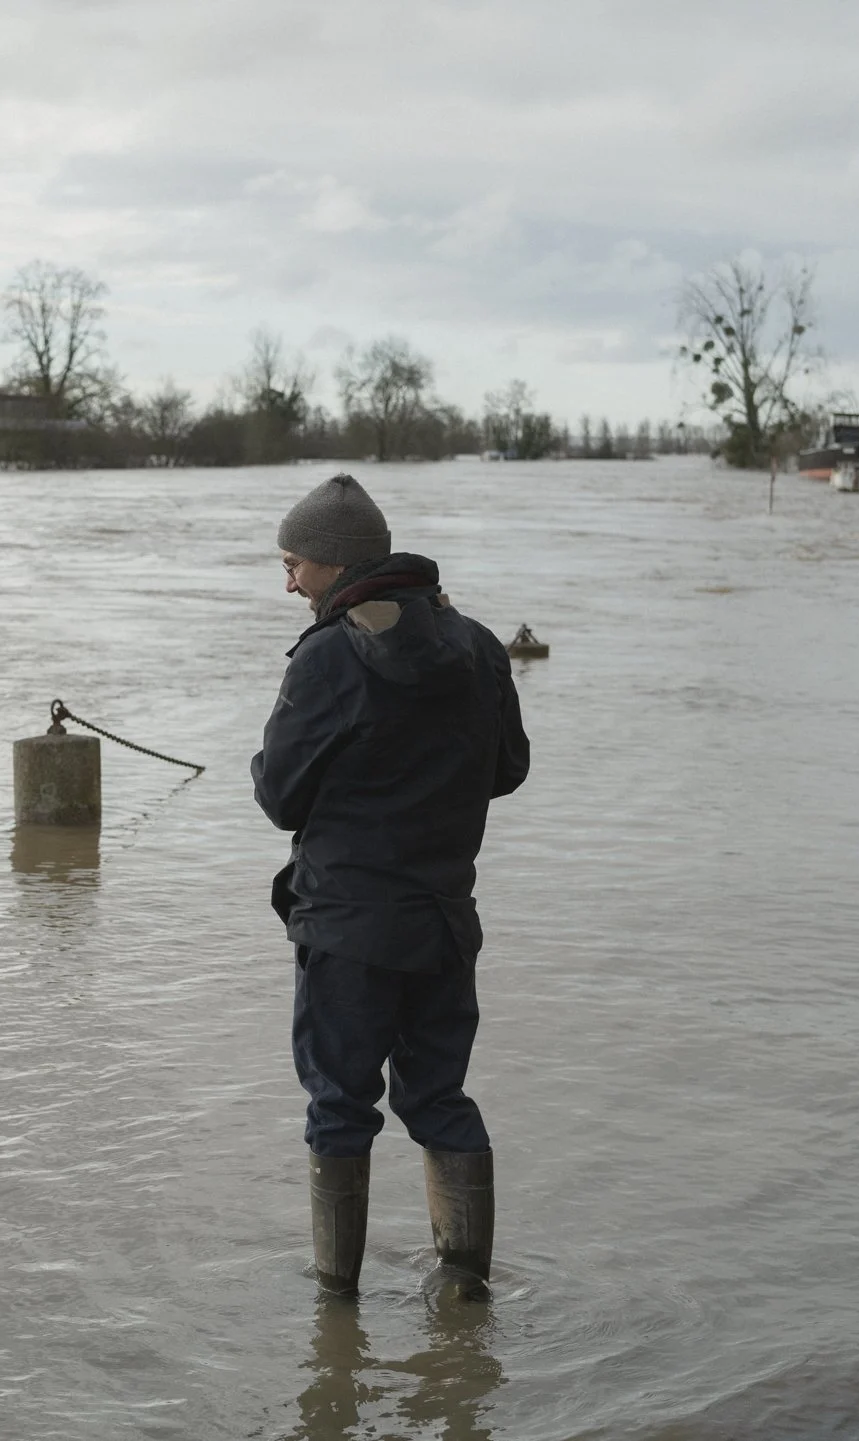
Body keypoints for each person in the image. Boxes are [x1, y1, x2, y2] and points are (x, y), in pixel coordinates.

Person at [251, 473, 529, 1296]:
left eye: (294, 563)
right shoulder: (477, 643)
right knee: (439, 1095)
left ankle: (335, 1309)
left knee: (339, 1106)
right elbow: (509, 768)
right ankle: (464, 1286)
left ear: (335, 562)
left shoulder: (327, 655)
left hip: (346, 928)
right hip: (444, 920)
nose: (288, 582)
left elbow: (279, 795)